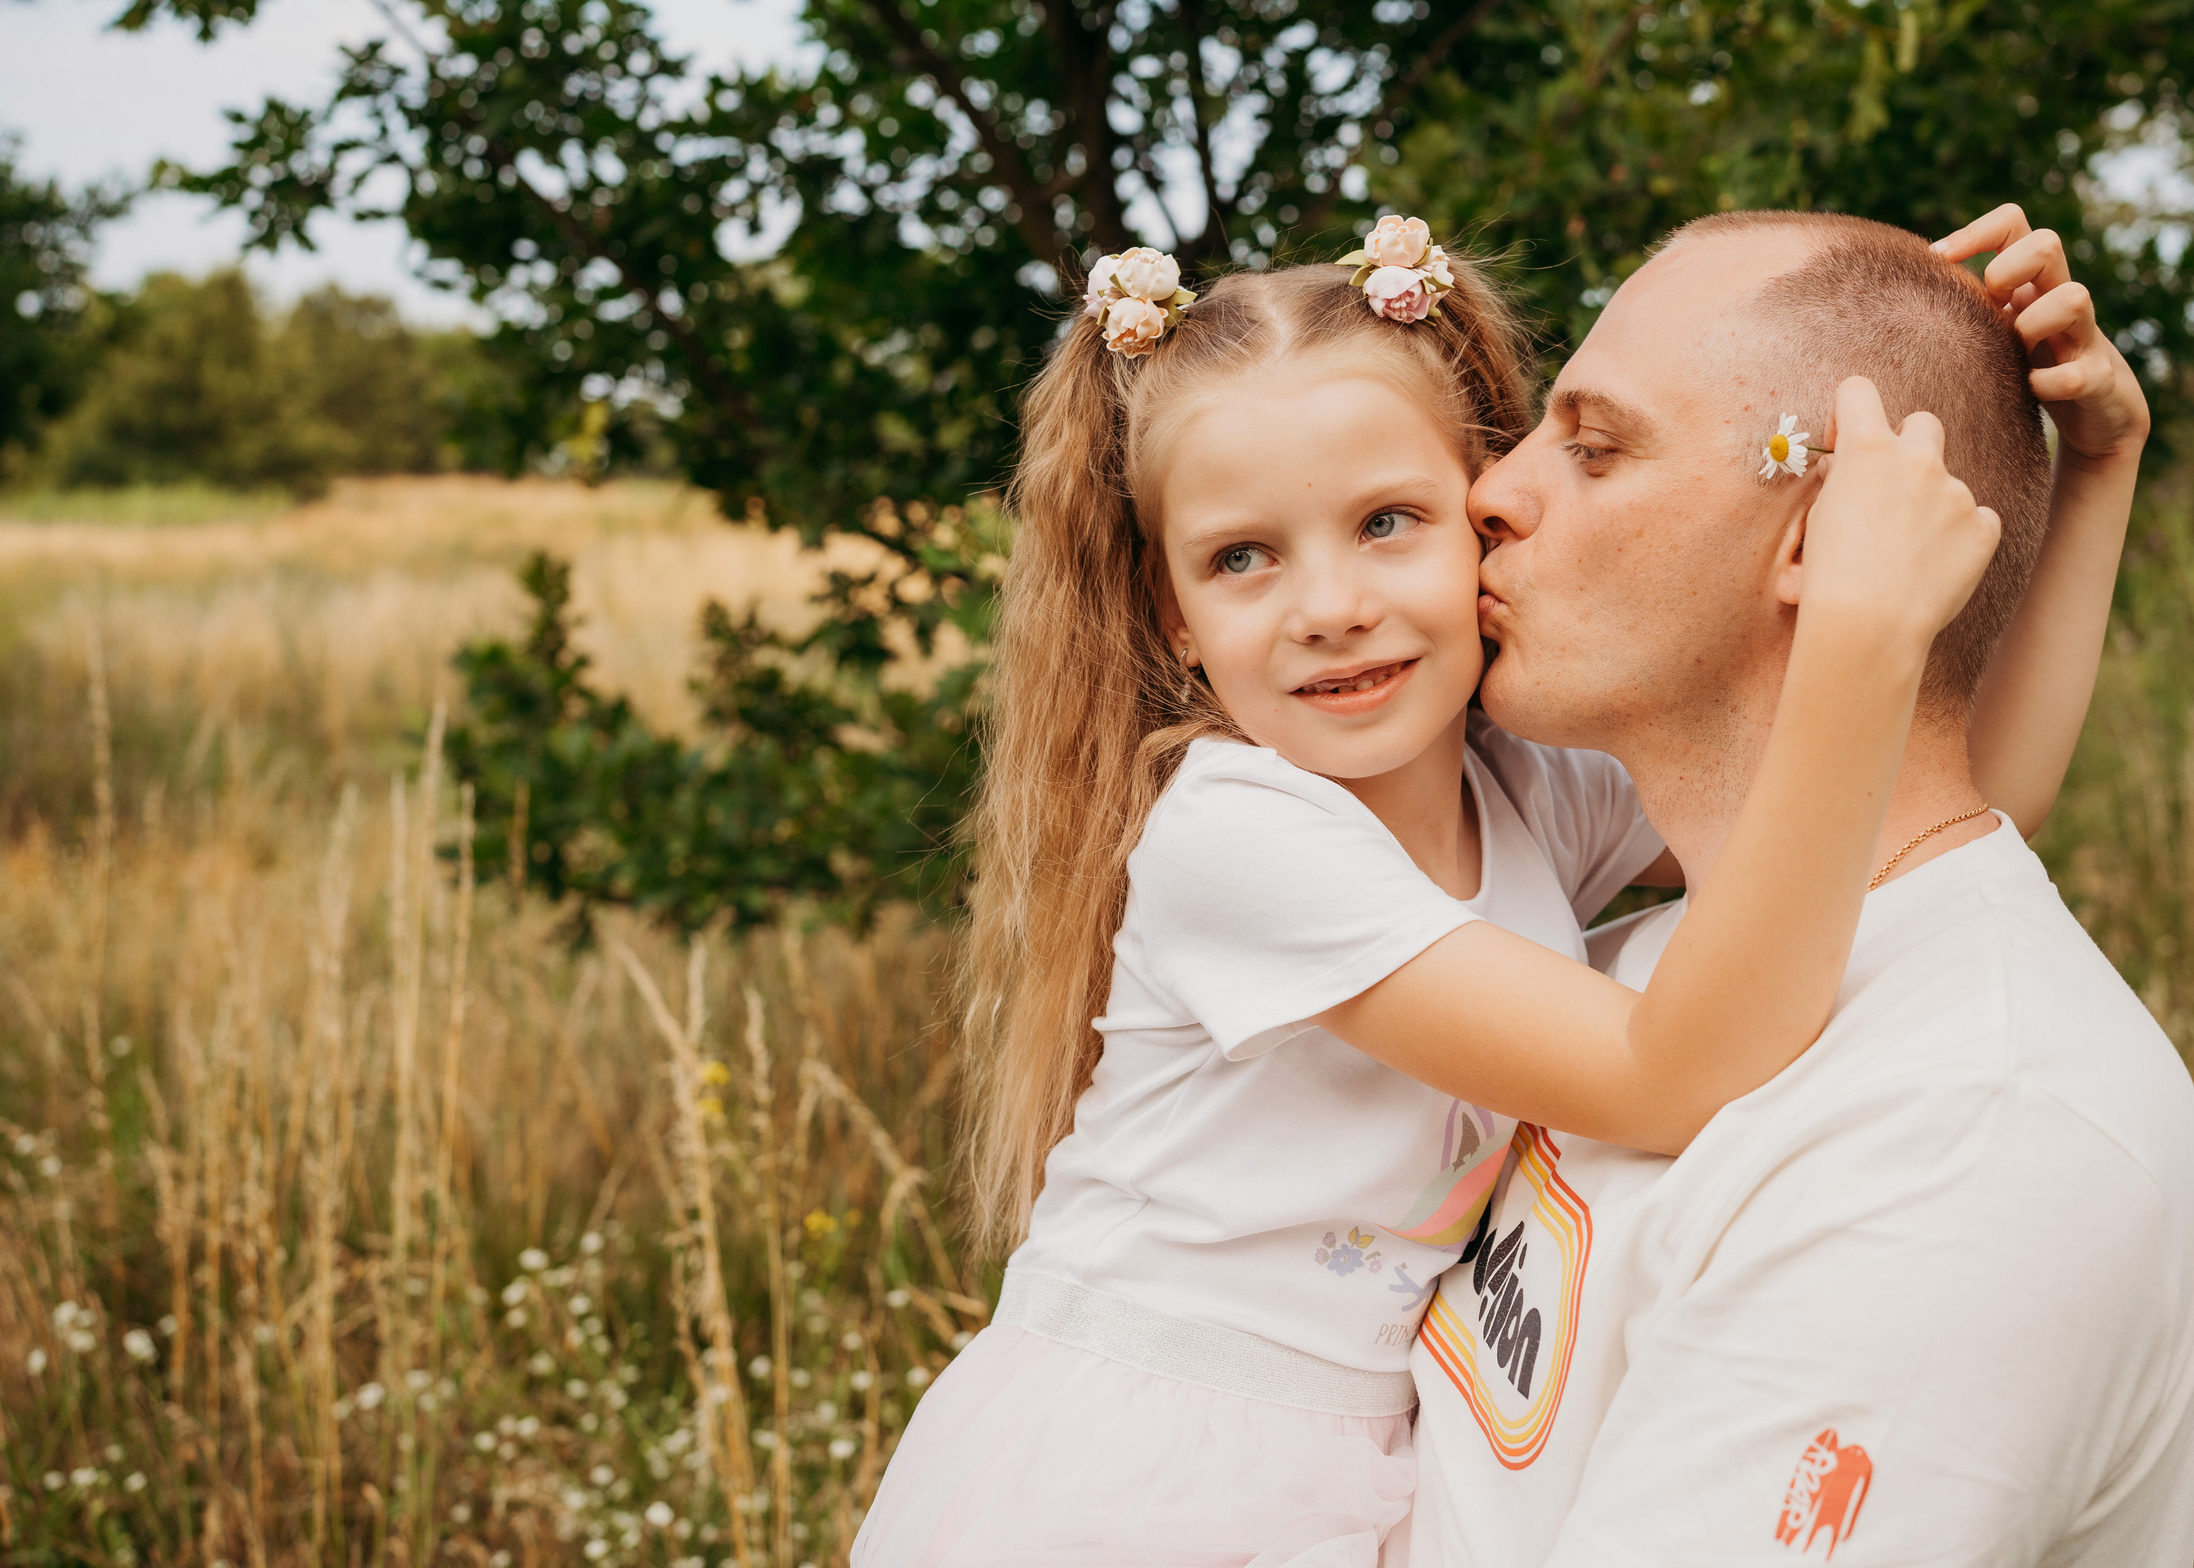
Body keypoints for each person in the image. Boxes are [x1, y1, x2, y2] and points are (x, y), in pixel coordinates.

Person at [850, 211, 2124, 1565]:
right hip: (1136, 1474)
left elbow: (1946, 789)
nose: (1328, 605)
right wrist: (1860, 636)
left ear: (1485, 524)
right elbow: (1664, 1073)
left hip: (1333, 1456)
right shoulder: (1235, 834)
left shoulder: (1521, 789)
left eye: (1389, 524)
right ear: (1175, 618)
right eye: (1241, 558)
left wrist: (2095, 467)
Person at [1394, 209, 2194, 1566]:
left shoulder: (1974, 1141)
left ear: (1825, 540)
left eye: (1594, 447)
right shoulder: (1672, 946)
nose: (1489, 491)